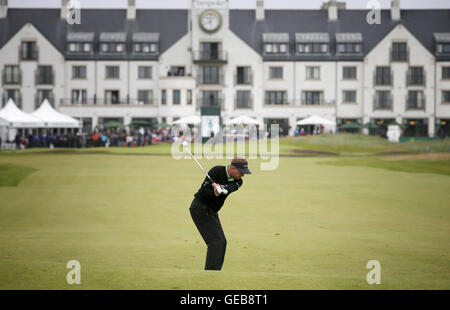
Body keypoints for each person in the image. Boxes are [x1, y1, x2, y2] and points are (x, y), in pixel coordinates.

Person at [189, 157, 252, 271]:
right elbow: (203, 192)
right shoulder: (216, 170)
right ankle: (211, 274)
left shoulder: (239, 181)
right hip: (200, 208)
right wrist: (215, 192)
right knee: (216, 242)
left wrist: (220, 189)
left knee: (222, 242)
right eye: (241, 172)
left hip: (211, 211)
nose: (243, 175)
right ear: (232, 168)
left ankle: (214, 272)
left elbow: (230, 188)